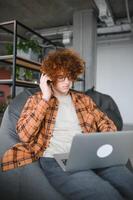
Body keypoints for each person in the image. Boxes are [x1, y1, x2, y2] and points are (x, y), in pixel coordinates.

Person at [1, 49, 133, 200]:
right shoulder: (37, 100)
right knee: (105, 194)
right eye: (61, 78)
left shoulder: (83, 100)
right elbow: (24, 135)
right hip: (56, 159)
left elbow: (105, 121)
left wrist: (107, 137)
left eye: (69, 77)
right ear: (49, 77)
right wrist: (45, 98)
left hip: (87, 155)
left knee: (128, 182)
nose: (67, 82)